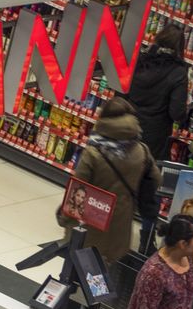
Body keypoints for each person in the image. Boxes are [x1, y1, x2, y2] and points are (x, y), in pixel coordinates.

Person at [58, 97, 162, 265]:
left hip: (89, 222)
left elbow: (76, 189)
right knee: (106, 273)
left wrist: (65, 219)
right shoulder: (141, 150)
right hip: (120, 225)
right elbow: (156, 179)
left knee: (80, 270)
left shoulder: (94, 153)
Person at [124, 24, 190, 161]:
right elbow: (177, 112)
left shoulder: (139, 61)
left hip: (127, 127)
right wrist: (187, 106)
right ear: (180, 47)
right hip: (154, 139)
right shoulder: (178, 73)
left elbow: (122, 93)